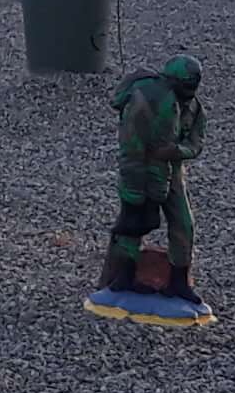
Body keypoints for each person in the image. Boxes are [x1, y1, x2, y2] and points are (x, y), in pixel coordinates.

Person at [86, 54, 212, 326]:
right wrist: (135, 178)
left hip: (172, 170)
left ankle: (178, 282)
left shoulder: (193, 107)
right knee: (134, 221)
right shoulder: (144, 99)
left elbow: (196, 140)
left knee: (184, 224)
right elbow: (130, 143)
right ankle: (123, 279)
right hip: (141, 168)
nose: (189, 92)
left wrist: (177, 151)